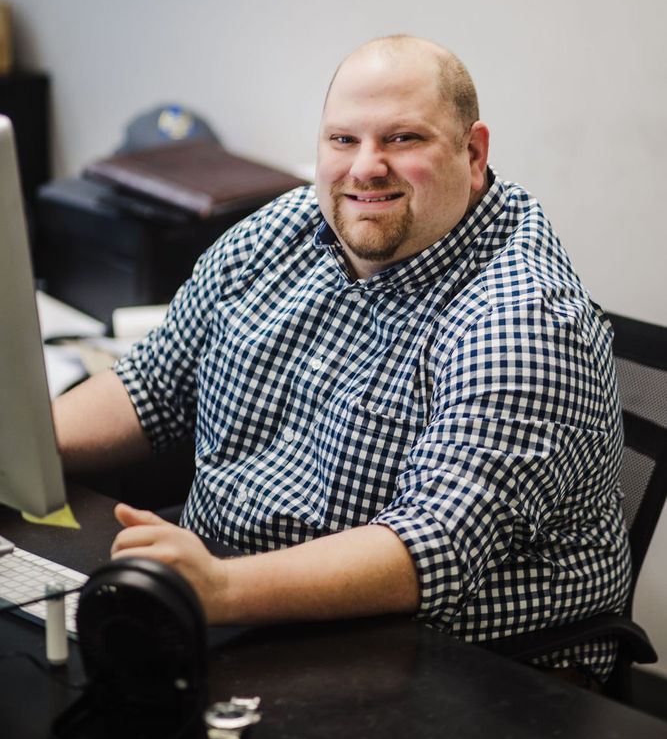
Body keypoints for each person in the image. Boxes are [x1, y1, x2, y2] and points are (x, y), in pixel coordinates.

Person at [54, 35, 631, 682]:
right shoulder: (282, 232)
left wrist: (218, 588)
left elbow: (430, 545)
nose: (365, 167)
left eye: (403, 139)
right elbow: (152, 385)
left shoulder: (522, 320)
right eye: (342, 140)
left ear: (472, 154)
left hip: (464, 676)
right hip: (249, 607)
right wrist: (26, 445)